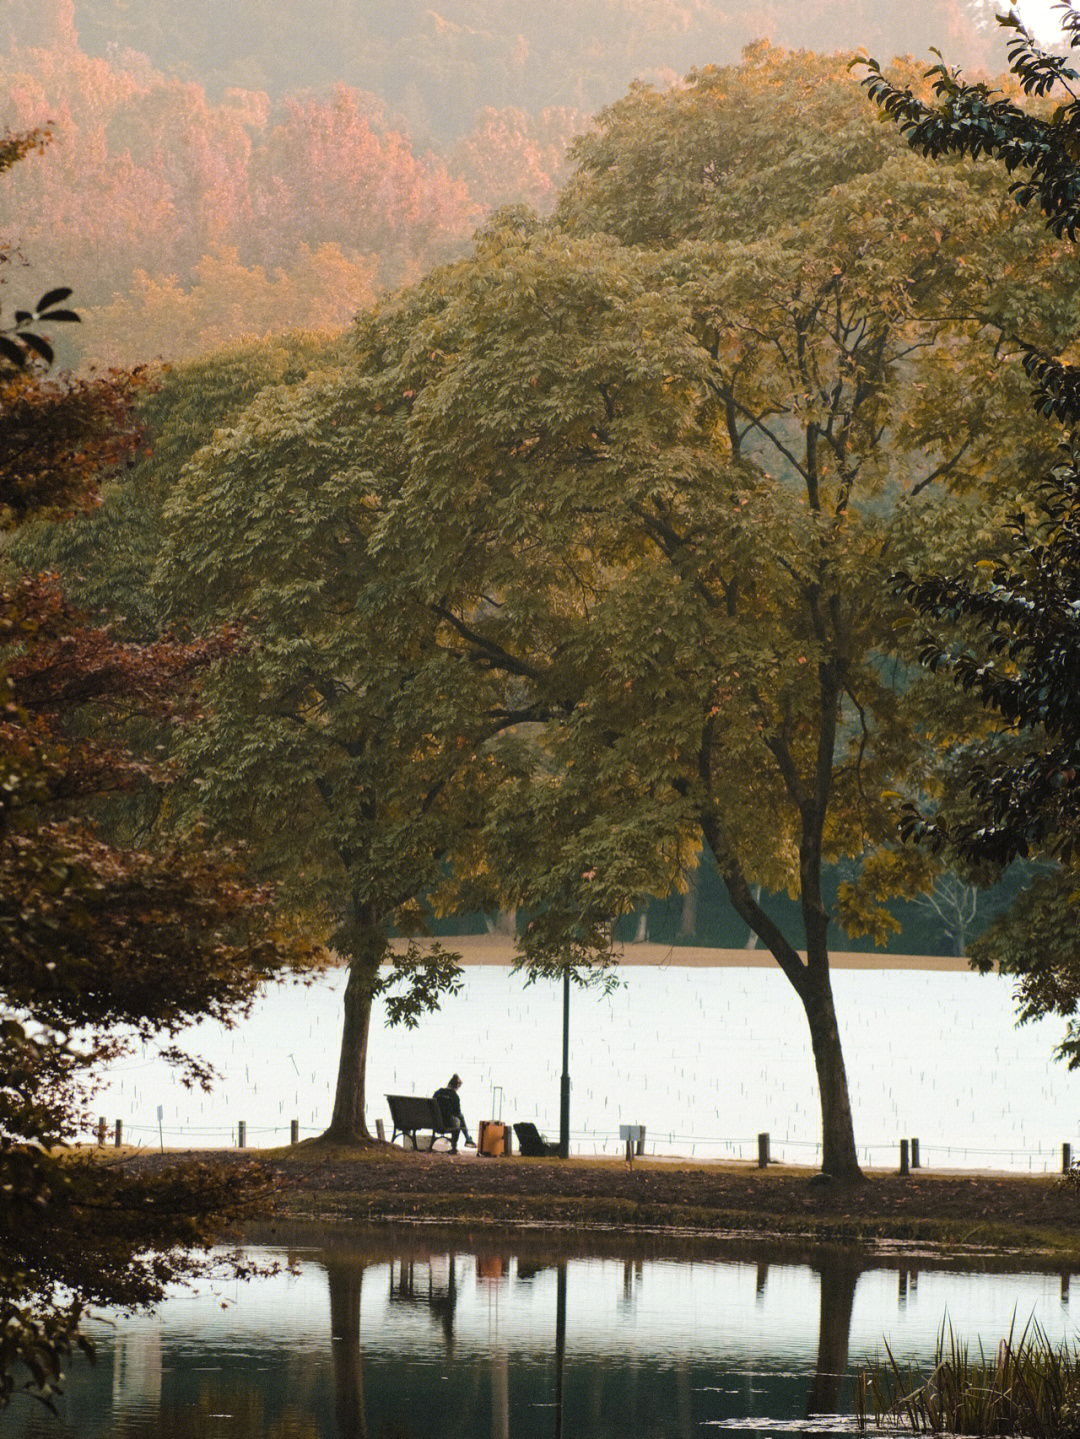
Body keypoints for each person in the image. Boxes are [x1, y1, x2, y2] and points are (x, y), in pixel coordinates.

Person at [433, 1074, 474, 1153]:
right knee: (460, 1118)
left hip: (436, 1123)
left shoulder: (438, 1092)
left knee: (459, 1117)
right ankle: (458, 1144)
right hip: (448, 1123)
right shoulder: (454, 1096)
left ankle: (468, 1138)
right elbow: (457, 1113)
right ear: (457, 1086)